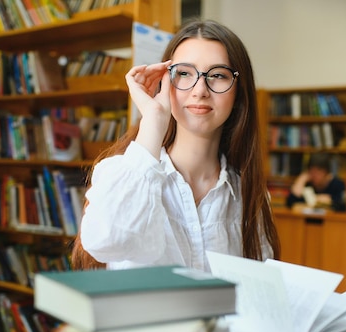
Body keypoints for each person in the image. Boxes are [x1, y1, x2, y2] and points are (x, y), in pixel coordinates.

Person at [71, 19, 280, 271]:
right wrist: (153, 121)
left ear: (238, 93)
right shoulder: (122, 173)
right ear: (164, 81)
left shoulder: (250, 193)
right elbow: (106, 242)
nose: (200, 90)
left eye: (218, 75)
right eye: (183, 73)